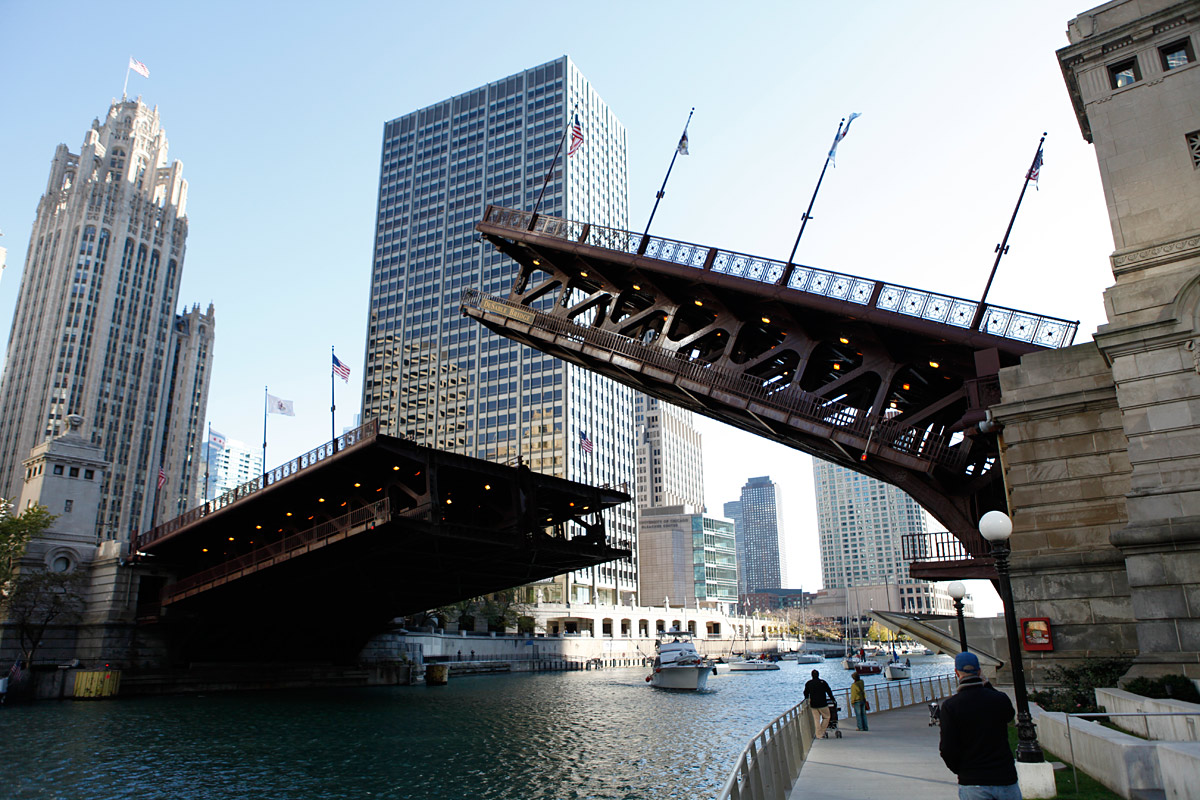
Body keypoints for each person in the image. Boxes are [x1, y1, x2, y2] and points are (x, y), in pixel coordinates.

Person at [939, 652, 1020, 800]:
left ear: (956, 672)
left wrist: (961, 770)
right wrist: (987, 684)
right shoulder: (999, 699)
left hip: (973, 780)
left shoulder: (951, 706)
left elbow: (947, 748)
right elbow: (1009, 715)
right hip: (1005, 777)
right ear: (979, 671)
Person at [803, 669, 835, 739]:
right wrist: (833, 699)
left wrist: (807, 698)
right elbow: (829, 691)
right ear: (818, 675)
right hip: (823, 703)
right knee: (827, 717)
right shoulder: (823, 682)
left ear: (812, 675)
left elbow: (805, 693)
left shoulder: (808, 683)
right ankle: (822, 731)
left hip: (813, 704)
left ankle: (818, 735)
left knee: (816, 720)